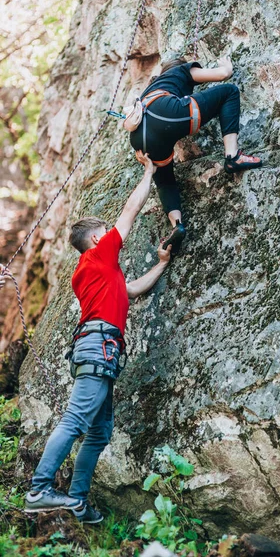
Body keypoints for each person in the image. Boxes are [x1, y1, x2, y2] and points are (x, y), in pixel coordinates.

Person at [23, 153, 171, 524]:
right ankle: (39, 488)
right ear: (95, 238)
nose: (113, 238)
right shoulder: (98, 257)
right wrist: (150, 171)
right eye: (107, 233)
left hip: (97, 346)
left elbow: (133, 289)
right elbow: (129, 213)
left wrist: (162, 263)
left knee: (99, 431)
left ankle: (77, 501)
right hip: (99, 345)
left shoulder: (98, 274)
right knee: (76, 420)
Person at [124, 55, 263, 255]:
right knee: (229, 92)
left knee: (164, 180)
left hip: (139, 137)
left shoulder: (152, 88)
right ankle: (232, 156)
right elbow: (223, 75)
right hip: (165, 112)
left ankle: (177, 224)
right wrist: (226, 64)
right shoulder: (179, 71)